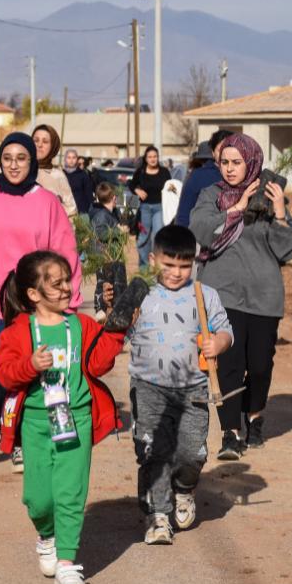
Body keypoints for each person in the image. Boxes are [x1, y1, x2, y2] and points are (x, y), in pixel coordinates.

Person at [0, 251, 127, 584]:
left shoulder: (80, 325)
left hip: (77, 416)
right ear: (33, 294)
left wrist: (116, 327)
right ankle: (47, 535)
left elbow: (98, 364)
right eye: (57, 283)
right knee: (38, 499)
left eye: (68, 280)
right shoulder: (18, 331)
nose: (67, 288)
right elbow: (5, 375)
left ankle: (67, 562)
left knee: (70, 492)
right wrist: (29, 365)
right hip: (36, 422)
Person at [0, 132, 81, 467]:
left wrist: (71, 298)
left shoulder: (47, 203)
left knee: (31, 372)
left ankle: (19, 434)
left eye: (21, 158)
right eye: (7, 158)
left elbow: (65, 252)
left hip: (35, 304)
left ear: (32, 161)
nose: (13, 165)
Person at [190, 133, 292, 460]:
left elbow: (286, 251)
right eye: (224, 162)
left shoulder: (269, 196)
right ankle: (229, 432)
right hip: (221, 294)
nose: (229, 169)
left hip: (264, 296)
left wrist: (279, 212)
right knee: (228, 364)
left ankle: (254, 416)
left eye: (236, 162)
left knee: (260, 365)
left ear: (251, 162)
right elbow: (199, 231)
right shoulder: (211, 195)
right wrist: (236, 209)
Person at [125, 225, 233, 544]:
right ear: (152, 259)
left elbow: (224, 329)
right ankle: (158, 515)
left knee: (191, 452)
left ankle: (184, 488)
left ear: (194, 264)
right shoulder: (140, 292)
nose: (176, 273)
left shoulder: (204, 295)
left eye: (184, 266)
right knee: (154, 451)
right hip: (148, 387)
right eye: (169, 265)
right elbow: (118, 326)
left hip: (194, 389)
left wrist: (219, 343)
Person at [175, 130, 233, 228]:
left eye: (229, 149)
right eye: (220, 150)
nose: (225, 154)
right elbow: (184, 213)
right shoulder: (198, 176)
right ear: (213, 153)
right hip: (204, 238)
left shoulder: (249, 176)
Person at [128, 145, 171, 266]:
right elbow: (131, 185)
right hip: (144, 208)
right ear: (146, 158)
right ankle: (144, 264)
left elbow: (171, 188)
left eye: (155, 156)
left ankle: (157, 264)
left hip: (159, 207)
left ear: (158, 158)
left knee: (158, 235)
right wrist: (137, 191)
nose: (152, 159)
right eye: (150, 157)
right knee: (144, 236)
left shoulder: (164, 172)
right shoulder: (140, 172)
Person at [33, 124, 77, 217]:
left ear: (53, 146)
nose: (39, 145)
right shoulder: (17, 169)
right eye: (35, 140)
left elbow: (71, 212)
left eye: (45, 142)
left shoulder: (58, 176)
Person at [64, 147, 95, 216]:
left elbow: (89, 195)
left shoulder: (83, 175)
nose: (71, 160)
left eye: (74, 157)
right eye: (69, 157)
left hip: (81, 211)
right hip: (64, 212)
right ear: (65, 159)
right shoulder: (61, 174)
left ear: (76, 159)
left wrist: (88, 211)